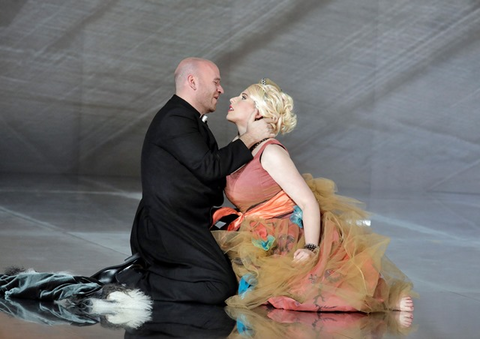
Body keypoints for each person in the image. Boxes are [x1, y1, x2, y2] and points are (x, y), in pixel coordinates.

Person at [211, 78, 415, 322]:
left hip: (283, 231)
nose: (232, 99)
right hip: (254, 233)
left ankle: (385, 299)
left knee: (306, 293)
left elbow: (308, 202)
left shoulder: (271, 152)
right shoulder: (238, 147)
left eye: (243, 97)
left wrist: (310, 247)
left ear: (258, 112)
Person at [119, 57, 273, 305]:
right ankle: (132, 281)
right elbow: (209, 166)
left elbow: (208, 165)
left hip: (185, 220)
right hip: (166, 225)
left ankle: (150, 273)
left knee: (225, 278)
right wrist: (251, 137)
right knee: (217, 287)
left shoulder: (185, 118)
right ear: (193, 82)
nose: (221, 90)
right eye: (216, 82)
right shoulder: (175, 119)